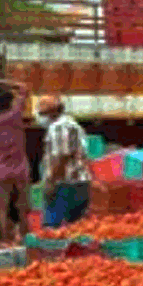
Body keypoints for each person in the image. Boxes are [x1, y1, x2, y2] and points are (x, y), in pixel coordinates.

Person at [35, 96, 91, 228]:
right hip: (80, 183)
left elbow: (62, 157)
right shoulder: (73, 124)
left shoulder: (58, 127)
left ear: (53, 112)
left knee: (52, 230)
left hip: (64, 184)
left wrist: (51, 183)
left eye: (42, 114)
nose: (40, 117)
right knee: (76, 229)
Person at [0, 83, 30, 243]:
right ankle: (25, 238)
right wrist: (2, 82)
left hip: (2, 168)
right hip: (21, 167)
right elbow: (24, 89)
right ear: (10, 102)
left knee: (2, 208)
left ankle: (5, 240)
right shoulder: (16, 114)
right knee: (23, 206)